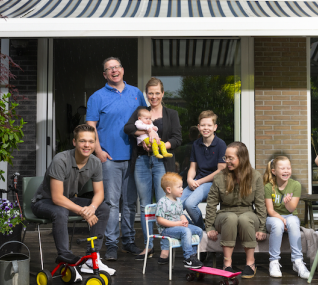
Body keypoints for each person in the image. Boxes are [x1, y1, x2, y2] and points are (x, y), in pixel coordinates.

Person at [31, 124, 115, 276]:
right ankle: (64, 255)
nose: (87, 145)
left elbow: (99, 193)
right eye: (83, 141)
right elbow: (57, 198)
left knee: (103, 208)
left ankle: (92, 257)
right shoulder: (61, 160)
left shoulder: (95, 162)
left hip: (67, 201)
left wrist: (92, 208)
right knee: (61, 210)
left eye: (91, 141)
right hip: (44, 202)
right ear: (74, 142)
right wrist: (84, 212)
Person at [86, 57, 147, 261]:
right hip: (109, 158)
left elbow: (145, 120)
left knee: (130, 203)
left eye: (116, 67)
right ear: (105, 75)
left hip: (133, 157)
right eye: (109, 69)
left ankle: (128, 241)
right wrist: (98, 151)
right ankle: (111, 245)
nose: (114, 71)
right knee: (111, 203)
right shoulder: (97, 97)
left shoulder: (137, 93)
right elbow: (90, 127)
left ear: (123, 69)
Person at [124, 77, 182, 263]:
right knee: (145, 205)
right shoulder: (141, 112)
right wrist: (147, 133)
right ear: (146, 94)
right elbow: (128, 128)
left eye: (157, 93)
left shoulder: (171, 114)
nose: (154, 96)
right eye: (150, 93)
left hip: (161, 163)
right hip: (141, 161)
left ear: (163, 94)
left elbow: (177, 138)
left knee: (164, 204)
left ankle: (165, 248)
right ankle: (148, 246)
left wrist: (161, 143)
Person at [205, 142, 267, 279]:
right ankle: (227, 263)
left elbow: (260, 204)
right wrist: (209, 226)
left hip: (248, 213)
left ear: (242, 158)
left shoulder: (255, 176)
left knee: (245, 219)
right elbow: (211, 204)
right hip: (225, 214)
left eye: (230, 158)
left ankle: (250, 263)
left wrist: (262, 228)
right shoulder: (220, 177)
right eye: (225, 158)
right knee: (231, 218)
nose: (227, 161)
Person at [263, 156, 310, 279]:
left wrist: (287, 202)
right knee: (277, 224)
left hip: (289, 215)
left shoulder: (295, 185)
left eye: (288, 168)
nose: (286, 171)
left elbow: (291, 209)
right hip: (273, 217)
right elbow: (270, 210)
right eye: (282, 168)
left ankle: (298, 261)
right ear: (274, 171)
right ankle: (273, 261)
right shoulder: (268, 187)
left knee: (294, 221)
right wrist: (282, 219)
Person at [181, 110, 227, 230]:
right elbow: (193, 167)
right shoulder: (196, 144)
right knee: (174, 207)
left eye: (209, 125)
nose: (206, 128)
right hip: (197, 181)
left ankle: (202, 230)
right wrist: (190, 179)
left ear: (215, 127)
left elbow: (221, 170)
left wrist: (199, 182)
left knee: (190, 204)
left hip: (212, 182)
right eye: (203, 125)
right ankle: (192, 227)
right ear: (198, 127)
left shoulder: (220, 144)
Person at [155, 172, 204, 269]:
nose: (182, 189)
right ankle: (188, 257)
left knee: (199, 230)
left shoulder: (178, 201)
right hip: (167, 229)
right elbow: (160, 220)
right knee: (186, 231)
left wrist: (184, 219)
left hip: (178, 227)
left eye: (182, 186)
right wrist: (176, 223)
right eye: (179, 187)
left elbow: (180, 213)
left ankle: (193, 255)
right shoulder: (162, 202)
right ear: (169, 189)